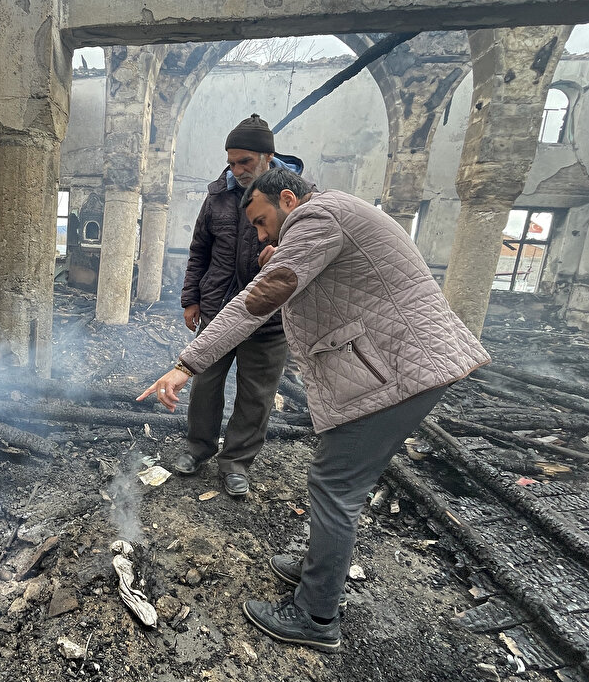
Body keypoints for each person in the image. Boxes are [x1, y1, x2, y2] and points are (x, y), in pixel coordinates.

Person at [139, 168, 490, 651]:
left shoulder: (317, 216)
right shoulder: (336, 211)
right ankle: (316, 570)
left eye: (263, 222)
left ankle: (316, 615)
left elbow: (258, 300)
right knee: (339, 484)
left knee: (335, 487)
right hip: (406, 366)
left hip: (400, 371)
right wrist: (279, 253)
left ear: (288, 199)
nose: (260, 234)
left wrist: (187, 363)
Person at [176, 114, 306, 498]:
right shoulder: (218, 194)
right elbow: (199, 250)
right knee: (206, 384)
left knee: (256, 394)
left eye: (244, 161)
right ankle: (199, 448)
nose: (236, 170)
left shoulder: (298, 198)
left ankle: (235, 463)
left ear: (268, 157)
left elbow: (311, 254)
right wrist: (191, 298)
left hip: (269, 316)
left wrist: (283, 253)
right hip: (218, 308)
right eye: (231, 162)